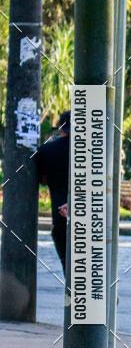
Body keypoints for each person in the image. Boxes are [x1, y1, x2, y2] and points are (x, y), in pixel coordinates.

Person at [34, 110, 70, 272]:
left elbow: (41, 179)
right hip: (93, 217)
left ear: (61, 128)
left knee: (68, 265)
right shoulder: (94, 151)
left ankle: (72, 293)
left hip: (60, 215)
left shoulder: (47, 151)